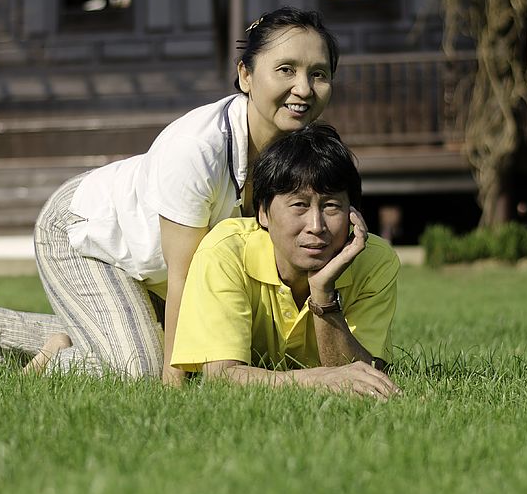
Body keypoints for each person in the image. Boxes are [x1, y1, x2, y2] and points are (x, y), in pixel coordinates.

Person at [0, 6, 340, 385]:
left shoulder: (299, 153)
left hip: (154, 265)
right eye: (286, 69)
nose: (303, 88)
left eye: (318, 74)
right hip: (89, 232)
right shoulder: (198, 147)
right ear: (246, 75)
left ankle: (0, 326)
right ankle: (15, 340)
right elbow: (183, 275)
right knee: (140, 370)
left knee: (225, 354)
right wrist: (173, 391)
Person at [170, 124, 402, 399]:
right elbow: (221, 377)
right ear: (263, 213)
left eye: (331, 206)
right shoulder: (225, 252)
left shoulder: (375, 261)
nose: (316, 226)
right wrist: (316, 379)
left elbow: (366, 376)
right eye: (299, 205)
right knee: (138, 366)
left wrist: (323, 294)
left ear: (353, 213)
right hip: (132, 270)